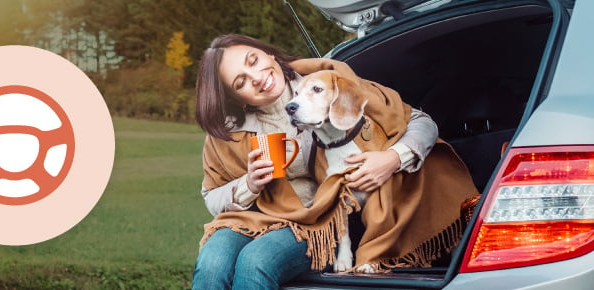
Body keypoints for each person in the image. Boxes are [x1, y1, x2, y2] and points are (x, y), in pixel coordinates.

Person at [191, 34, 477, 289]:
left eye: (253, 60)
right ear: (235, 97)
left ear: (270, 54)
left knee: (255, 263)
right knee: (212, 264)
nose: (255, 77)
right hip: (252, 217)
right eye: (240, 82)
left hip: (316, 219)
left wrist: (391, 158)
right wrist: (249, 184)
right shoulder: (227, 131)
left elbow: (422, 123)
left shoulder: (326, 81)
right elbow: (212, 197)